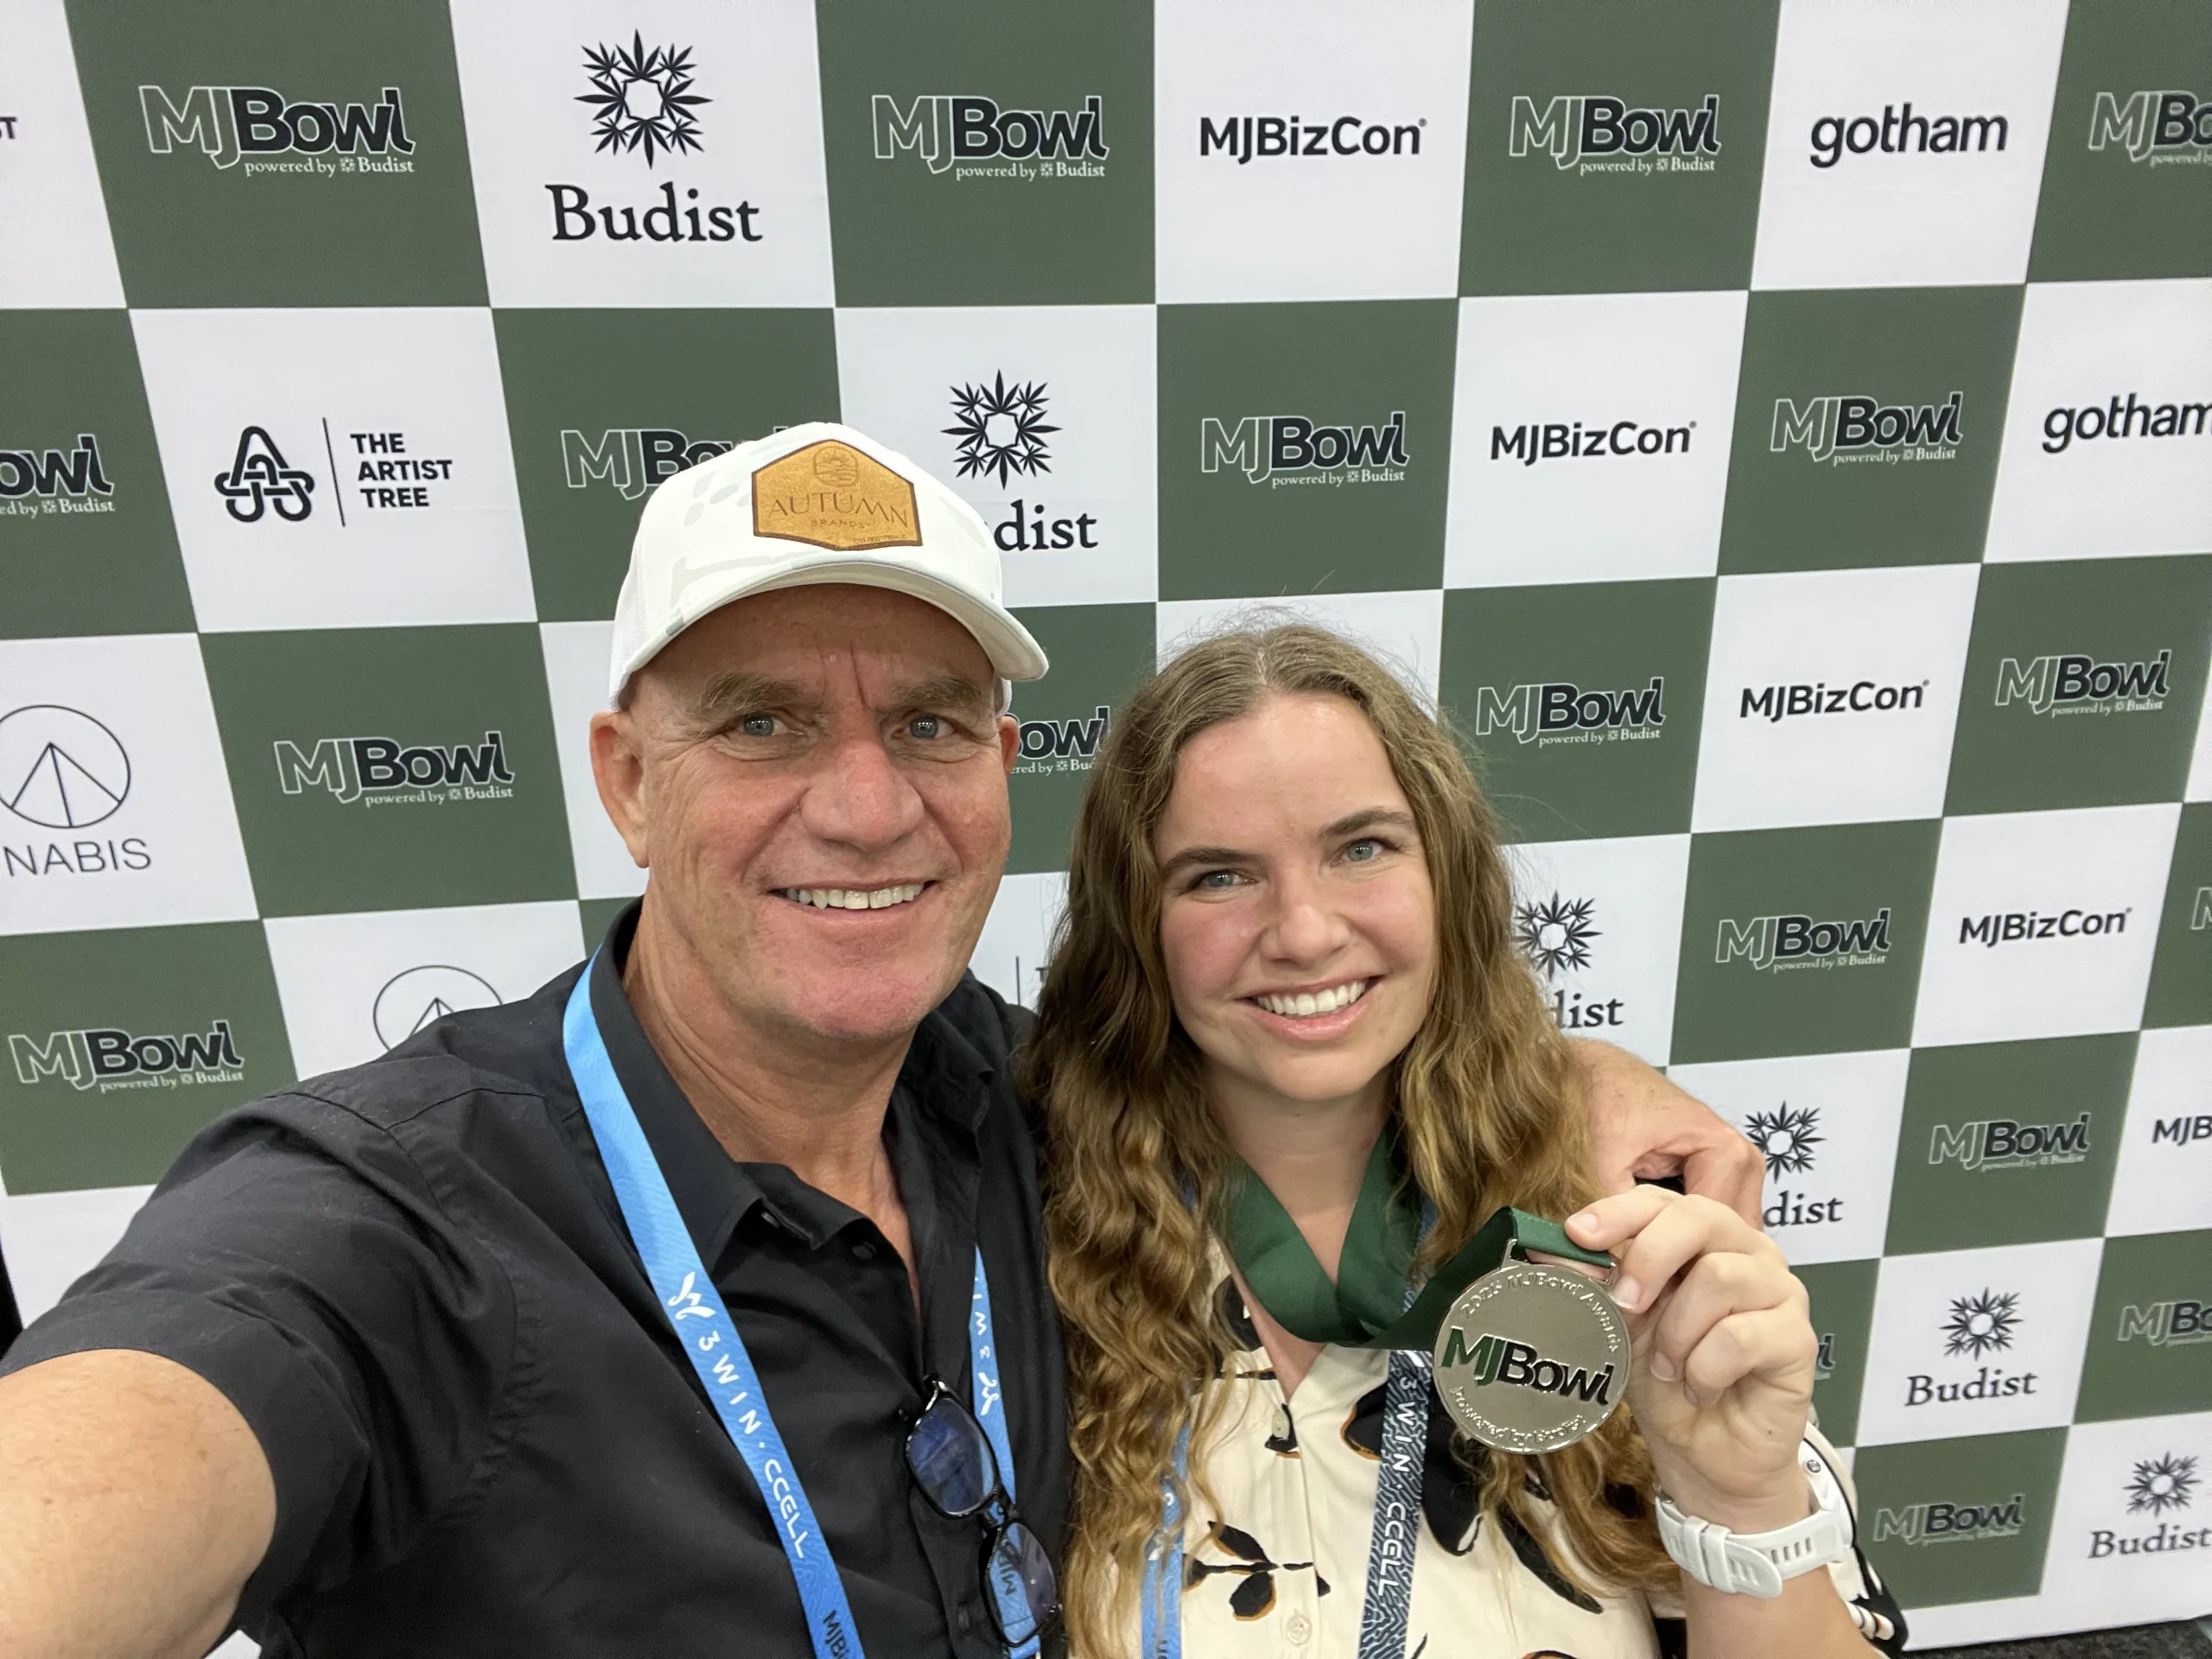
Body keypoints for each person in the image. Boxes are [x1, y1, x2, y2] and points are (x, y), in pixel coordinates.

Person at [0, 425, 1758, 1659]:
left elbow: (1303, 1030)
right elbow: (158, 1421)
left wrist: (1585, 1090)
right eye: (760, 722)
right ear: (627, 777)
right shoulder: (404, 1223)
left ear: (999, 776)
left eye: (924, 722)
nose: (860, 806)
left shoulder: (1023, 1101)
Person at [1027, 624, 1905, 1658]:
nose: (1304, 931)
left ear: (1448, 875)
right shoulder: (1023, 1233)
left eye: (1362, 848)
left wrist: (1737, 1497)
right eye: (1218, 876)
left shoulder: (1609, 1218)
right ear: (1137, 924)